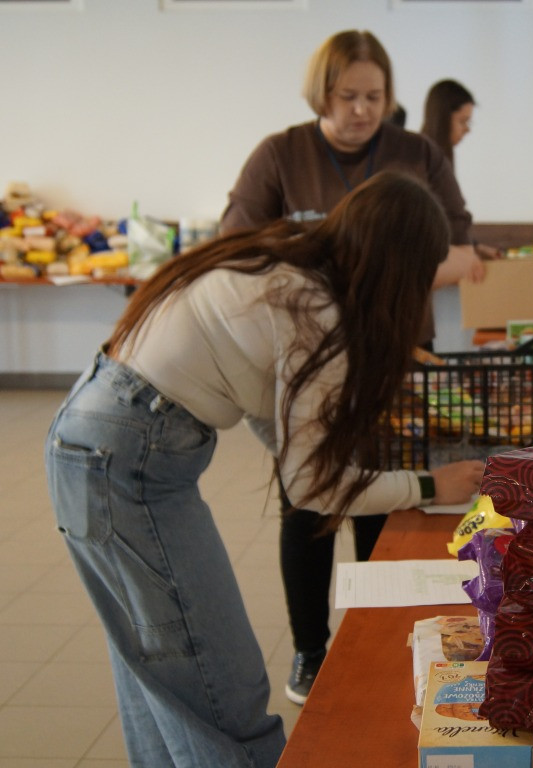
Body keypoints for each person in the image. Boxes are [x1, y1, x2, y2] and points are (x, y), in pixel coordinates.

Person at [44, 172, 485, 767]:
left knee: (160, 680)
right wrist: (432, 485)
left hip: (95, 439)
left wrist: (317, 449)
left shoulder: (286, 258)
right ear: (398, 269)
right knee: (220, 688)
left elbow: (270, 411)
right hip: (127, 460)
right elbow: (312, 488)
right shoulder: (316, 309)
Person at [220, 29, 486, 707]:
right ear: (322, 93)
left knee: (386, 498)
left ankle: (374, 635)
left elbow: (459, 241)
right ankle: (311, 651)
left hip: (396, 354)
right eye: (348, 96)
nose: (362, 110)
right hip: (308, 359)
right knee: (308, 503)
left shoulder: (415, 153)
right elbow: (236, 243)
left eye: (375, 96)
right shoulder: (281, 155)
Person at [420, 79, 501, 259]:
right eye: (463, 121)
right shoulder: (422, 158)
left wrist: (475, 246)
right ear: (442, 119)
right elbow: (445, 220)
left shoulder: (439, 157)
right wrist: (469, 252)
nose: (467, 130)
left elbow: (450, 219)